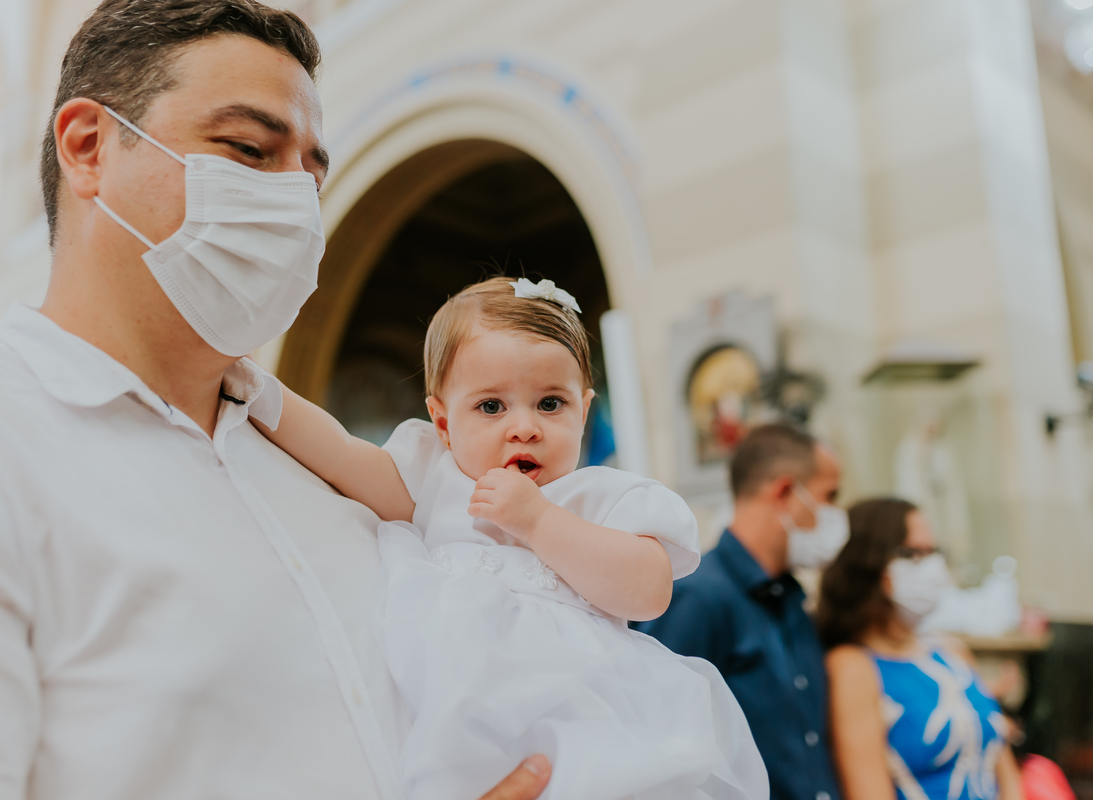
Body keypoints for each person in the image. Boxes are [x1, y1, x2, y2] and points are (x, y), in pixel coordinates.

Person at [0, 2, 548, 798]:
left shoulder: (324, 470)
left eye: (312, 173)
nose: (295, 206)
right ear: (89, 148)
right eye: (247, 149)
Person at [255, 276, 768, 800]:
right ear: (443, 422)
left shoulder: (599, 496)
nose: (524, 427)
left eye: (550, 404)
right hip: (452, 724)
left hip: (585, 722)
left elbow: (649, 590)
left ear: (584, 409)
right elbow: (342, 455)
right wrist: (259, 392)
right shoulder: (435, 479)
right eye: (491, 407)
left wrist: (541, 522)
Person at [635, 424, 845, 800]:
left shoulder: (792, 599)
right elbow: (661, 740)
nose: (835, 513)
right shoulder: (698, 597)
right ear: (784, 492)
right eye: (830, 495)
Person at [819, 498, 1024, 800]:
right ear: (870, 563)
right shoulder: (853, 667)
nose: (930, 565)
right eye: (913, 553)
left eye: (933, 552)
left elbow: (1005, 772)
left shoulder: (952, 652)